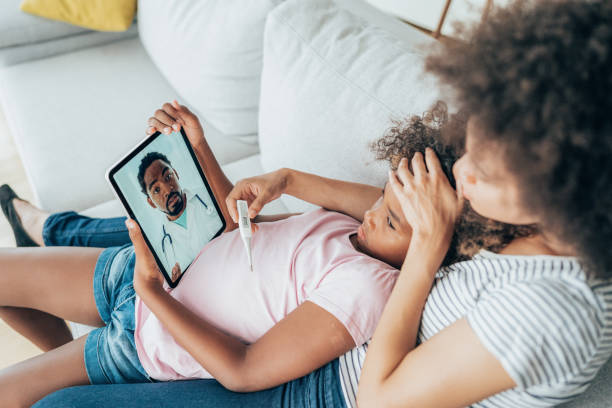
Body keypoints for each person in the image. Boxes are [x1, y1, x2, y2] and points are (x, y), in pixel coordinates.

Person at [2, 1, 612, 407]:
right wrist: (289, 179)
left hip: (316, 381)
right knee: (100, 253)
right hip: (199, 299)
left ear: (574, 193)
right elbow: (402, 214)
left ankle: (51, 252)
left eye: (491, 168)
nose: (466, 170)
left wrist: (425, 248)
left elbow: (377, 397)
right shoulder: (512, 215)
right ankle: (48, 237)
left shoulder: (552, 311)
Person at [135, 150, 221, 280]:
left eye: (168, 177)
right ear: (151, 203)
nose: (168, 189)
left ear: (175, 174)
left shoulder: (210, 194)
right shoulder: (161, 248)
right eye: (157, 190)